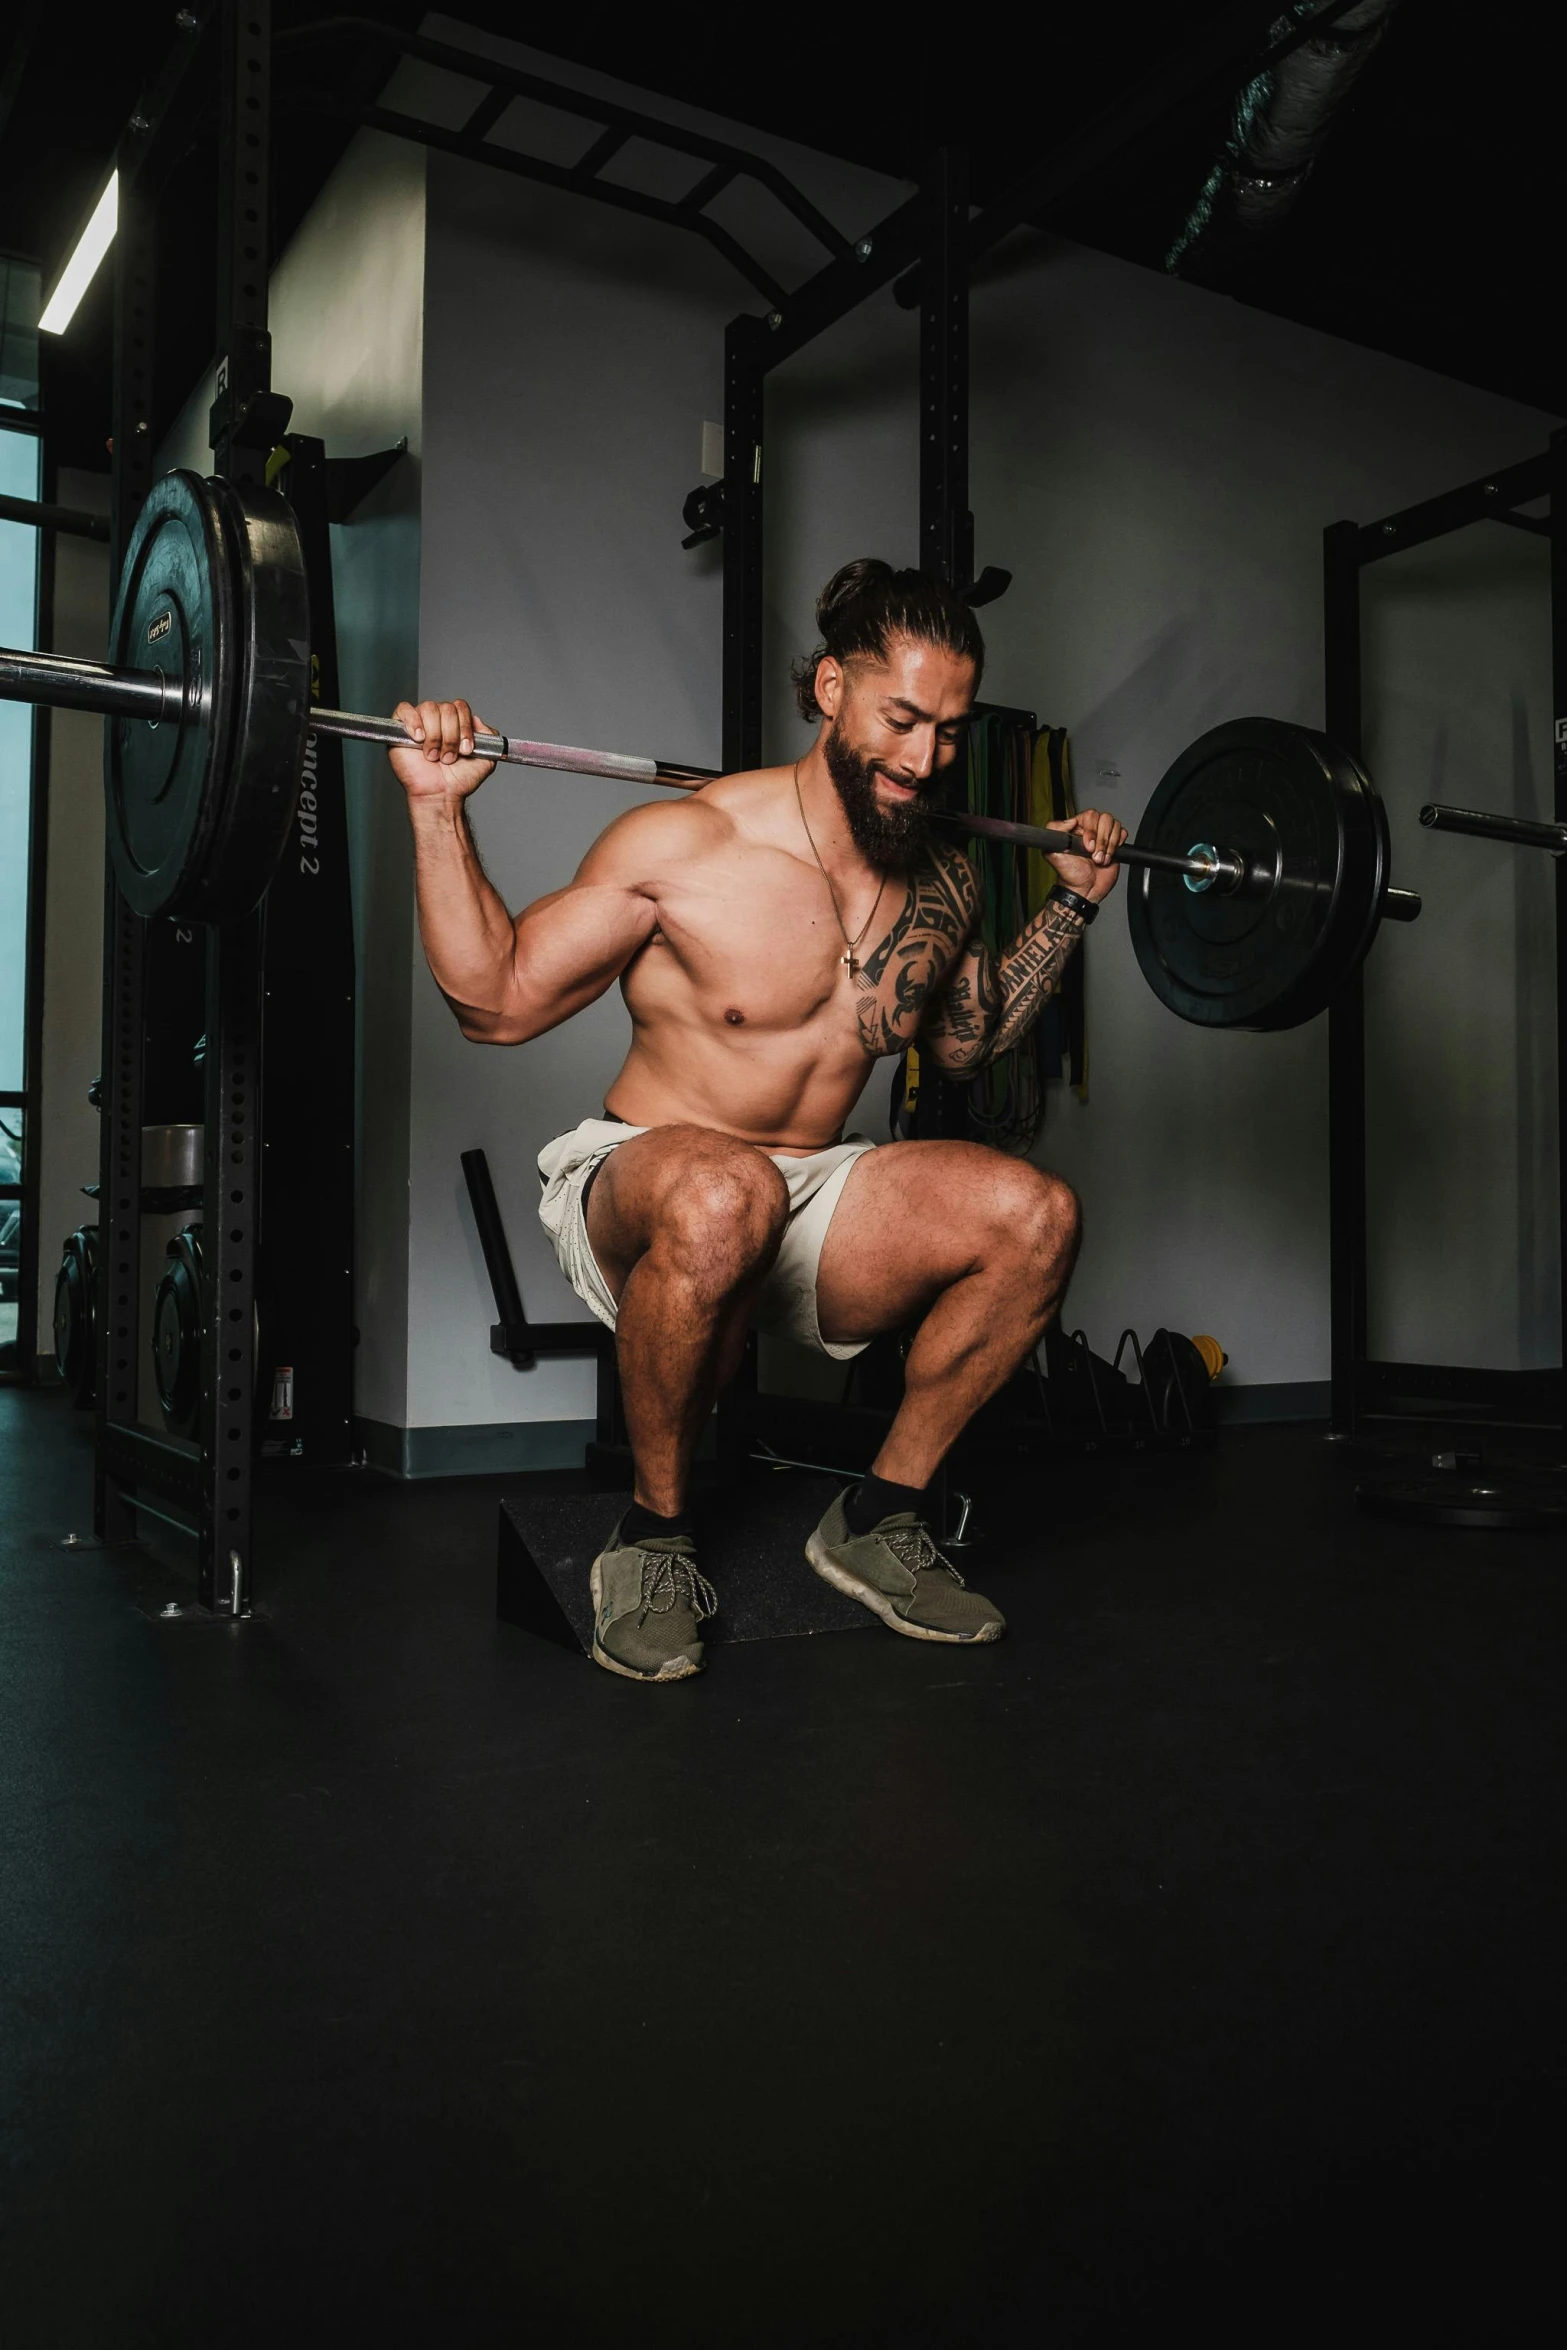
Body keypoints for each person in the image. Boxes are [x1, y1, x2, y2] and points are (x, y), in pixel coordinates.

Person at [389, 560, 1126, 1682]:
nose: (925, 759)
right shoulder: (688, 848)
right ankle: (650, 1538)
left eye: (949, 730)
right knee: (730, 1187)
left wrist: (1070, 899)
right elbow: (494, 1004)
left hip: (812, 1192)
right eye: (902, 718)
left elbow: (968, 1042)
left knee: (1036, 1214)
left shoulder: (942, 878)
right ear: (831, 687)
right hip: (651, 1177)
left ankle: (879, 1519)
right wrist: (436, 808)